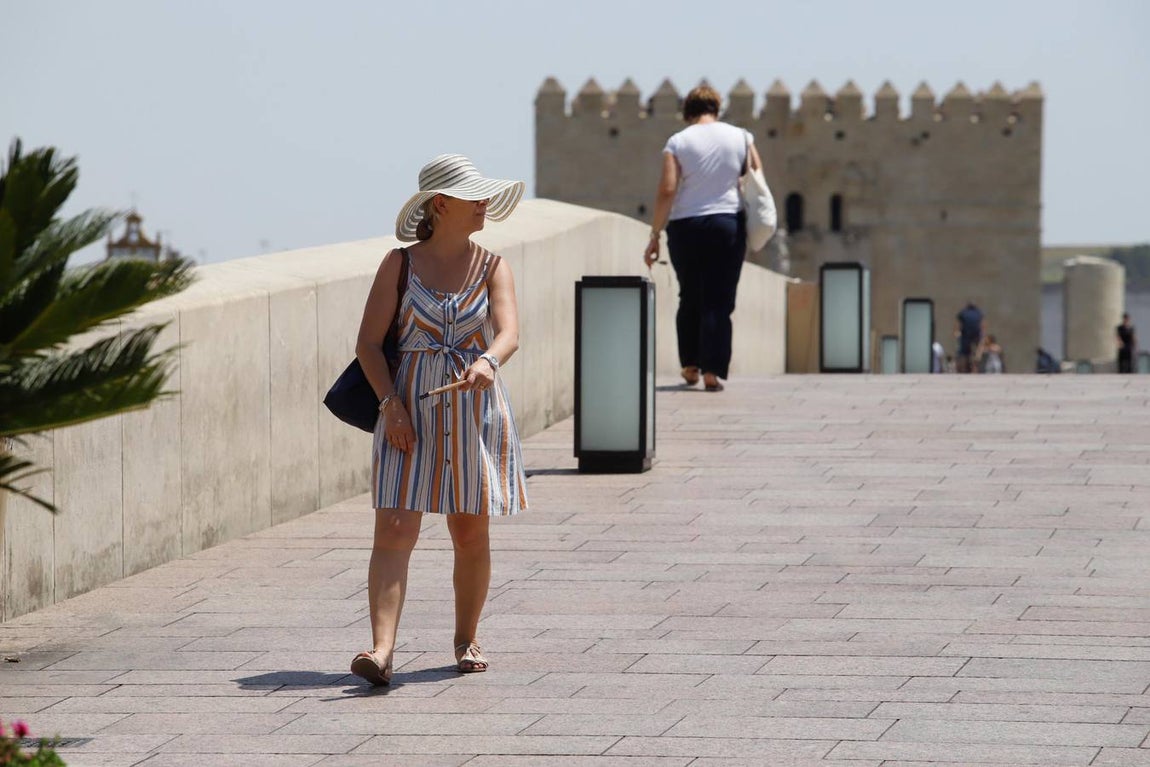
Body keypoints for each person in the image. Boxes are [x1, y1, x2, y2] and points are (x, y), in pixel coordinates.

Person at [349, 154, 529, 686]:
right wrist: (390, 406)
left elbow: (509, 333)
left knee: (469, 530)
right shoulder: (398, 264)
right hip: (407, 408)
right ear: (442, 204)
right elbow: (368, 345)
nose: (484, 203)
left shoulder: (493, 266)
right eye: (474, 196)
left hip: (474, 409)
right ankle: (381, 650)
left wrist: (488, 360)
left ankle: (466, 637)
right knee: (395, 526)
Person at [643, 85, 762, 393]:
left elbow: (667, 189)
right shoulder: (741, 137)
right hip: (727, 223)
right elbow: (756, 175)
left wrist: (655, 234)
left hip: (686, 226)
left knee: (690, 296)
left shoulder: (678, 141)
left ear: (687, 111)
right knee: (720, 299)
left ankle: (690, 365)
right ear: (717, 109)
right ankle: (713, 372)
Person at [954, 301, 985, 373]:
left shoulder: (963, 312)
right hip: (975, 334)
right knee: (976, 352)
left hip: (966, 334)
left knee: (965, 353)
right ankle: (974, 367)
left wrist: (956, 332)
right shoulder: (979, 313)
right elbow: (983, 323)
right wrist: (983, 333)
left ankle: (967, 368)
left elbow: (958, 323)